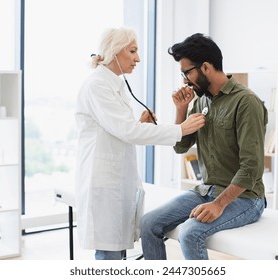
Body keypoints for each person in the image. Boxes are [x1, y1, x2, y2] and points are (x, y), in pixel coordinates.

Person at [74, 27, 205, 260]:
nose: (138, 58)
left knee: (116, 252)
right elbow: (127, 131)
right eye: (132, 51)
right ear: (114, 51)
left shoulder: (115, 84)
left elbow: (119, 128)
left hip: (117, 180)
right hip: (104, 183)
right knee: (109, 255)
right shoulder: (97, 86)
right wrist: (180, 129)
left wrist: (139, 123)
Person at [140, 33, 268, 260]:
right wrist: (181, 109)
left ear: (206, 67)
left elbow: (252, 167)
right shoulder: (200, 101)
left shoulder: (246, 102)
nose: (184, 81)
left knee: (190, 233)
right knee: (148, 223)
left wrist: (219, 204)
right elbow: (180, 147)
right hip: (206, 190)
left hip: (246, 197)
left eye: (187, 72)